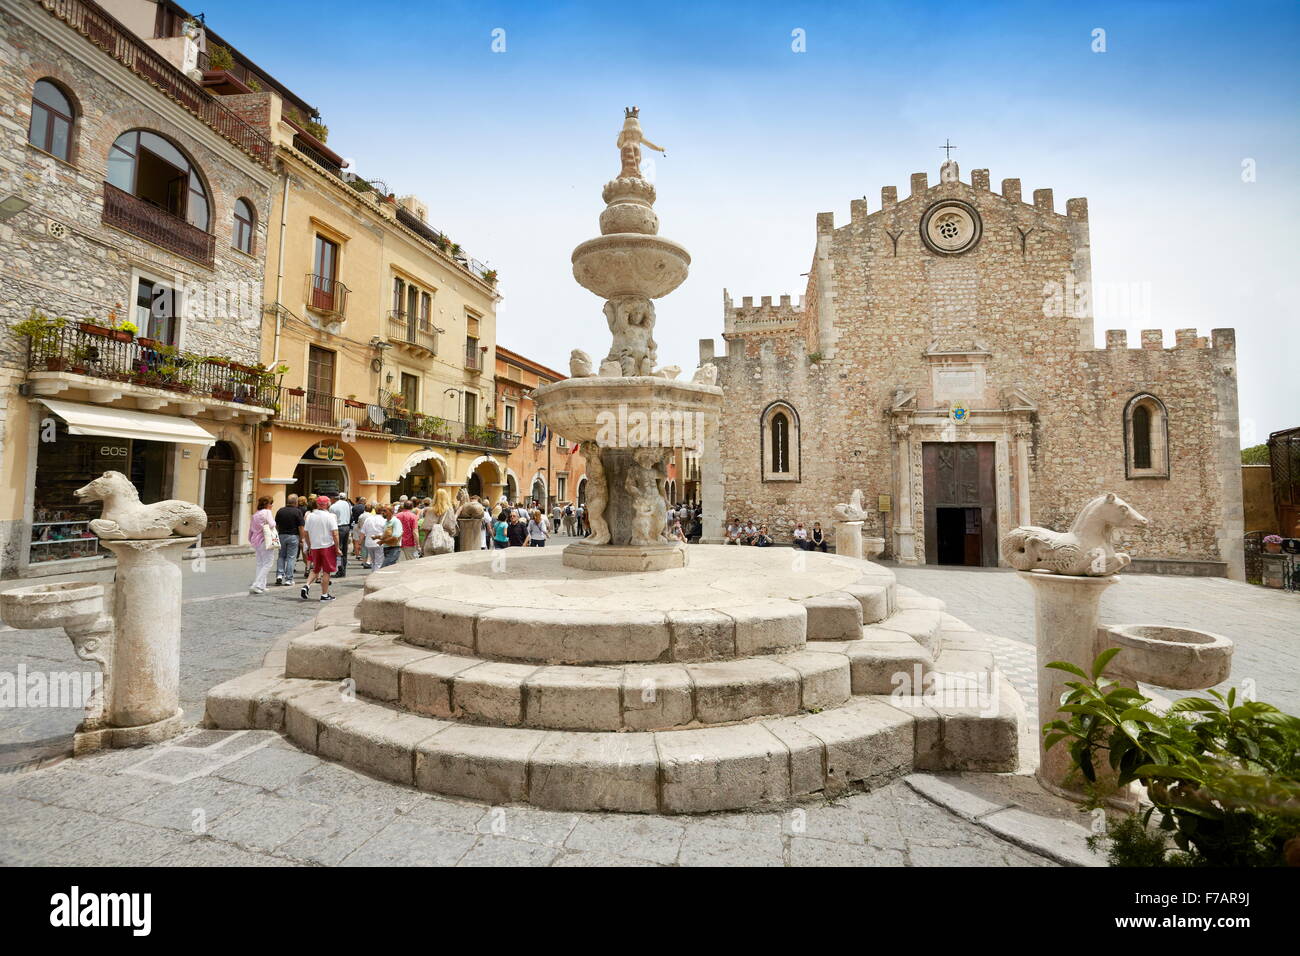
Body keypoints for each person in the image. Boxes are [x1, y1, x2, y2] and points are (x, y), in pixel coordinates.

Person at [300, 495, 340, 601]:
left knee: (315, 569)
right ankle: (324, 594)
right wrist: (337, 547)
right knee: (326, 571)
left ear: (317, 504)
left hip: (315, 546)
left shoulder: (310, 516)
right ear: (328, 504)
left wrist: (309, 545)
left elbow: (306, 533)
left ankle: (307, 585)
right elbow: (335, 533)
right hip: (327, 546)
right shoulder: (330, 516)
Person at [248, 496, 278, 594]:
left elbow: (251, 528)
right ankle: (256, 584)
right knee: (268, 563)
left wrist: (250, 539)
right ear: (266, 504)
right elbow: (272, 524)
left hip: (256, 540)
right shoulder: (267, 512)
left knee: (260, 563)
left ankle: (262, 585)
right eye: (271, 503)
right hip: (266, 539)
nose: (272, 505)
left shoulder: (255, 514)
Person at [274, 493, 305, 586]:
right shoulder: (297, 512)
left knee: (281, 556)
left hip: (282, 535)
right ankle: (289, 579)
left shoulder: (280, 511)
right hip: (293, 536)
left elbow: (276, 525)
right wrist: (302, 538)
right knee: (291, 558)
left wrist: (279, 533)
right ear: (296, 502)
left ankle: (279, 575)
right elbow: (301, 526)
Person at [329, 492, 353, 577]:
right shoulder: (346, 503)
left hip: (338, 528)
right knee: (344, 550)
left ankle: (340, 569)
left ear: (332, 498)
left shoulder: (333, 507)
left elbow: (331, 520)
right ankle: (343, 569)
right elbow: (350, 514)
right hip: (346, 526)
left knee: (338, 550)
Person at [359, 505, 387, 571]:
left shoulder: (368, 519)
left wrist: (360, 542)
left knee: (373, 561)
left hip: (369, 542)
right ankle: (376, 576)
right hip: (379, 543)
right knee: (379, 562)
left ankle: (373, 573)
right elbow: (385, 532)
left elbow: (363, 532)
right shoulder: (383, 520)